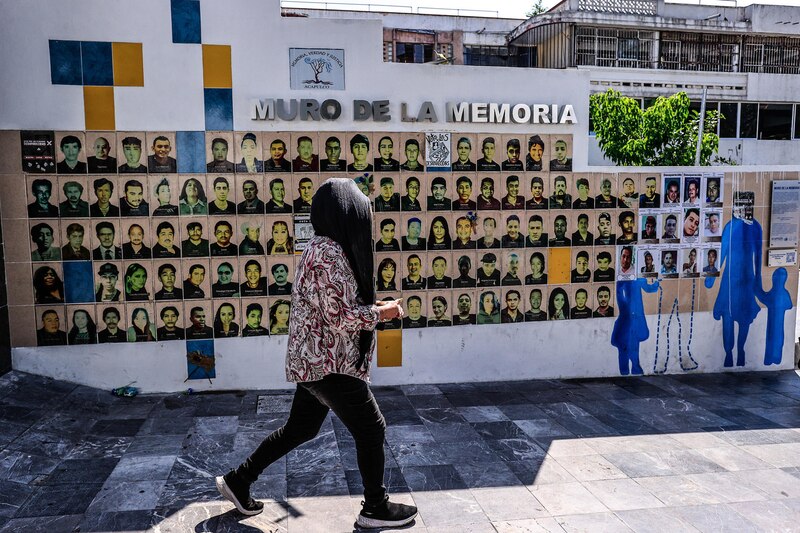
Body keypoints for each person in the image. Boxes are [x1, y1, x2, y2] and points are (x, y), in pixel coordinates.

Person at [217, 178, 416, 525]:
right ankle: (375, 508)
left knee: (299, 430)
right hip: (329, 364)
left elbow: (336, 305)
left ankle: (238, 479)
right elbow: (339, 317)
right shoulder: (328, 253)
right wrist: (383, 313)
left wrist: (375, 306)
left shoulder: (323, 248)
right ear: (343, 212)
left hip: (315, 361)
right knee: (371, 429)